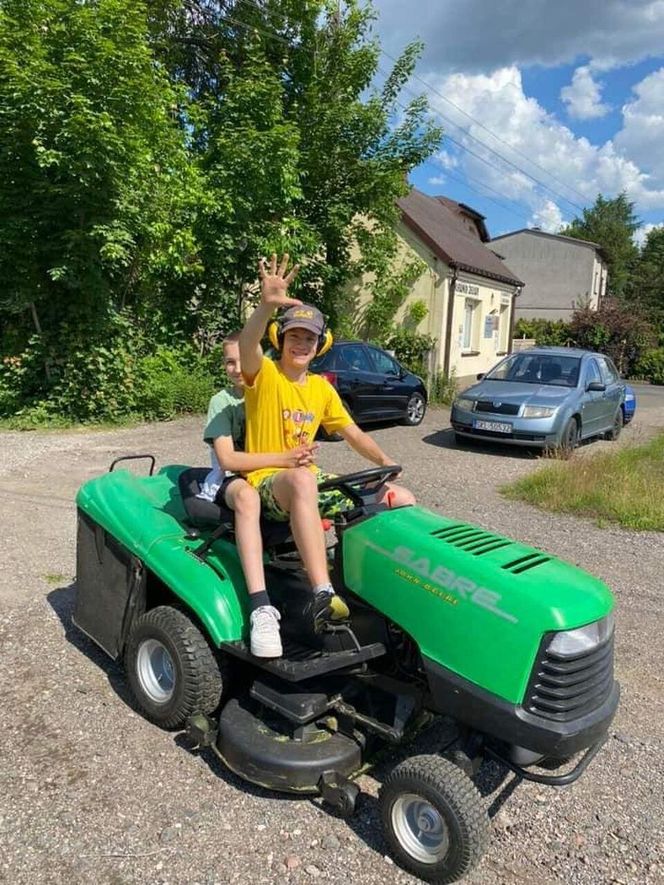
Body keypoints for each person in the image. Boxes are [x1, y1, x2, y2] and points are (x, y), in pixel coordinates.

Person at [239, 253, 416, 635]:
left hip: (310, 481)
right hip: (269, 483)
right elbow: (246, 345)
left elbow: (352, 433)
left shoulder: (321, 388)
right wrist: (266, 305)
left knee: (399, 497)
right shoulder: (265, 375)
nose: (301, 343)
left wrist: (386, 462)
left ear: (320, 345)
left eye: (309, 338)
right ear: (280, 339)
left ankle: (377, 590)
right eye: (294, 336)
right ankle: (322, 592)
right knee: (302, 479)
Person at [199, 331, 317, 658]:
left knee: (315, 490)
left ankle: (326, 589)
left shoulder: (272, 394)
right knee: (248, 497)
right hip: (233, 478)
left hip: (269, 476)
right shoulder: (222, 402)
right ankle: (260, 608)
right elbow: (228, 460)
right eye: (229, 362)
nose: (237, 368)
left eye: (242, 361)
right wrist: (285, 459)